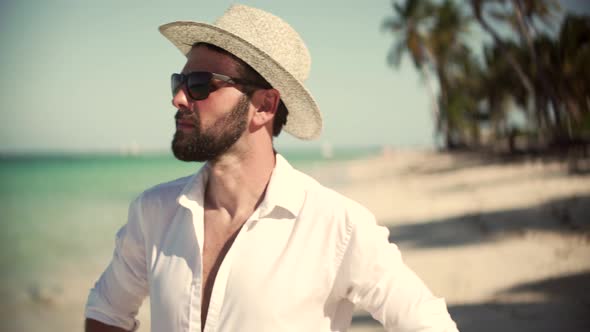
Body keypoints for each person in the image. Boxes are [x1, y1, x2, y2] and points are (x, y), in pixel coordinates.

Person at [84, 4, 459, 332]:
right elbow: (107, 312)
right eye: (179, 81)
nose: (178, 97)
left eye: (199, 84)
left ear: (264, 105)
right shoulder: (154, 213)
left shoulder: (336, 226)